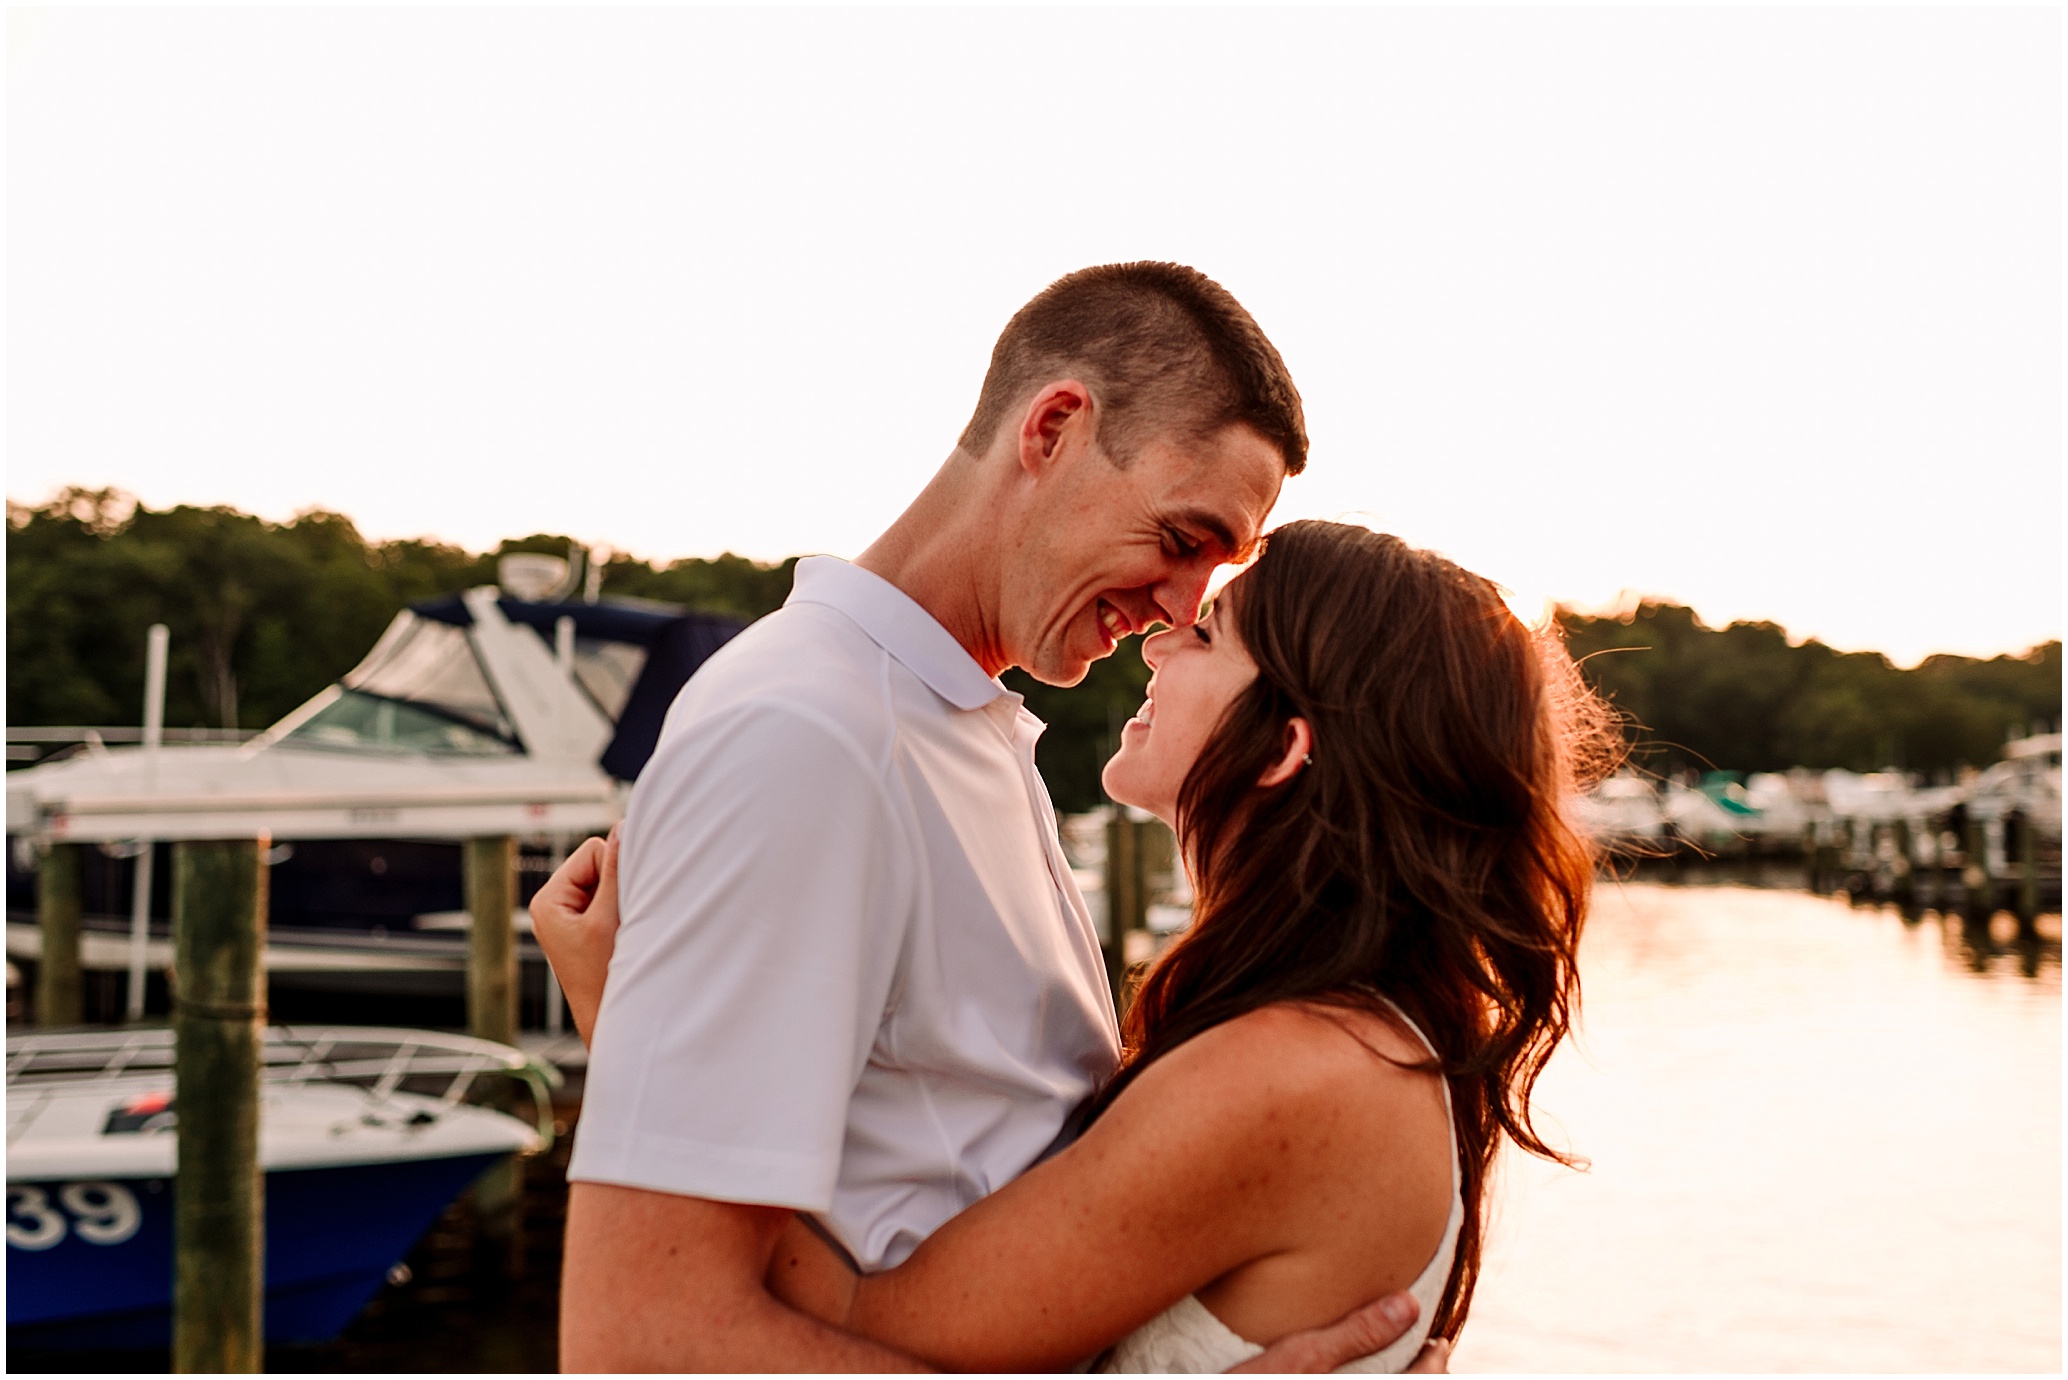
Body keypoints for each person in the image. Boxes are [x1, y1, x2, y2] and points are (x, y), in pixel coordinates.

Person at [549, 263, 1436, 1371]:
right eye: (1180, 537)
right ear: (1055, 427)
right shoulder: (807, 735)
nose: (1178, 608)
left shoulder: (952, 721)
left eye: (1219, 573)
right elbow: (649, 1344)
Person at [540, 520, 1615, 1370]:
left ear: (1287, 748)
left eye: (1204, 636)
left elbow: (869, 1319)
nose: (1160, 635)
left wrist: (637, 1020)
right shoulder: (1354, 1039)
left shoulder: (1290, 1069)